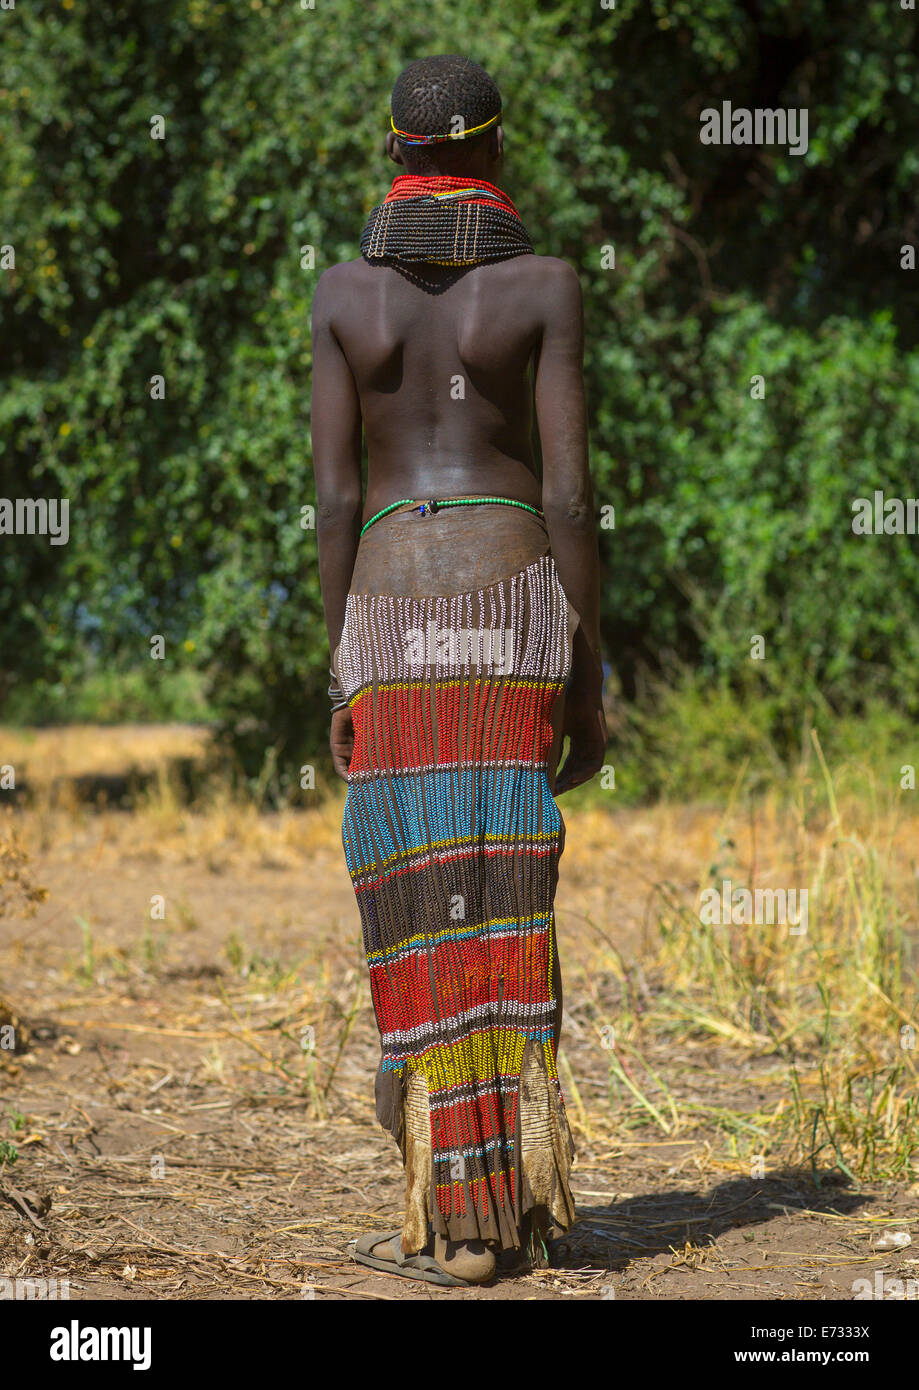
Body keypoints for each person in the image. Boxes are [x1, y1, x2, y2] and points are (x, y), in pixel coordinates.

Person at [311, 54, 606, 1287]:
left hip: (388, 608)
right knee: (501, 891)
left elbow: (334, 491)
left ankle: (461, 1214)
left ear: (393, 153)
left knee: (417, 905)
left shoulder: (341, 296)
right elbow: (574, 490)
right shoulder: (542, 288)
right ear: (493, 153)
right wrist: (585, 669)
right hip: (513, 594)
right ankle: (508, 1213)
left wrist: (341, 666)